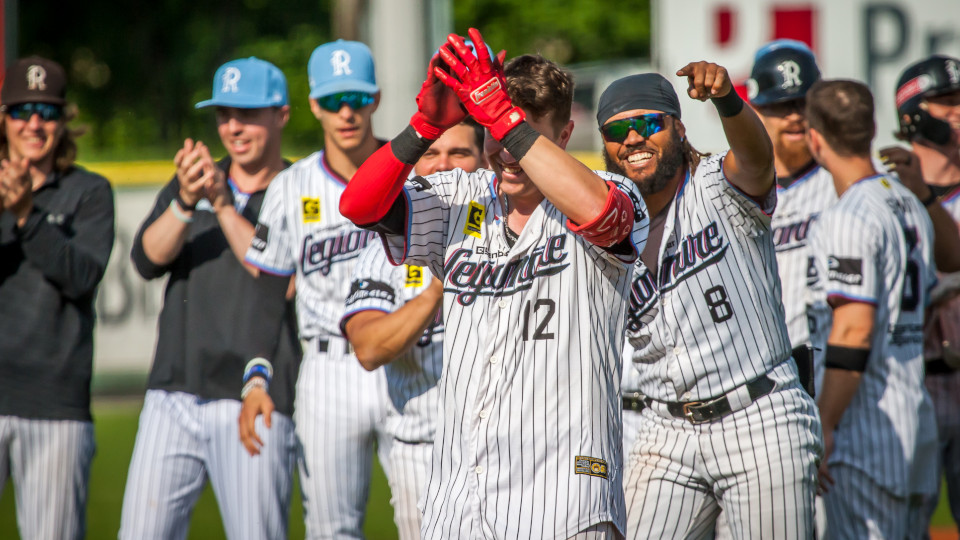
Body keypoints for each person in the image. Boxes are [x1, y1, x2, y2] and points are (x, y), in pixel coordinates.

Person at [340, 28, 649, 539]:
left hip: (564, 500)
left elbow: (601, 214)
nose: (505, 152)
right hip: (460, 499)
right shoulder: (461, 194)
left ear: (565, 135)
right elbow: (359, 206)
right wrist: (422, 126)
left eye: (521, 135)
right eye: (493, 135)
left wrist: (503, 120)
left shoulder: (607, 189)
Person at [598, 63, 823, 537]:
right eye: (619, 129)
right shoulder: (607, 226)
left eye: (650, 124)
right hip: (664, 430)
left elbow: (759, 159)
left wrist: (728, 101)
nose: (633, 138)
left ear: (679, 129)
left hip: (759, 415)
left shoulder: (717, 185)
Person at [119, 57, 300, 540]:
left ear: (280, 115)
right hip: (174, 391)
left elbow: (284, 279)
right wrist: (184, 200)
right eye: (223, 114)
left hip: (256, 397)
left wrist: (221, 205)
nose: (233, 127)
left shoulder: (303, 188)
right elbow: (145, 260)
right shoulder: (196, 181)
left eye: (247, 113)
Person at [240, 40, 394, 539]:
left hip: (409, 361)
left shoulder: (411, 174)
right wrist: (256, 378)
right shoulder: (291, 185)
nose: (345, 112)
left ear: (375, 98)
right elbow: (268, 290)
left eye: (355, 98)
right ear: (313, 106)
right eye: (332, 100)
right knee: (332, 530)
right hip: (329, 367)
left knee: (435, 521)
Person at [805, 79, 938, 539]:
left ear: (814, 136)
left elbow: (855, 329)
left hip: (866, 433)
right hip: (916, 422)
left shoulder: (848, 216)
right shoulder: (908, 200)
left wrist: (823, 423)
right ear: (872, 128)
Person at [340, 117, 484, 540]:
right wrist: (439, 287)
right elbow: (367, 347)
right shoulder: (387, 250)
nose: (442, 165)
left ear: (485, 159)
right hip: (423, 453)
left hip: (503, 448)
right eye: (430, 154)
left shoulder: (511, 233)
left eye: (459, 153)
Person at [0, 56, 115, 540]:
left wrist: (27, 214)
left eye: (46, 111)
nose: (33, 123)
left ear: (63, 121)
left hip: (55, 404)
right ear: (4, 117)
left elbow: (82, 276)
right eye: (22, 109)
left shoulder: (88, 192)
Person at [881, 54, 960, 534]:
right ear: (912, 115)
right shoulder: (888, 190)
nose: (957, 112)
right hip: (913, 382)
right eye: (945, 103)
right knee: (904, 522)